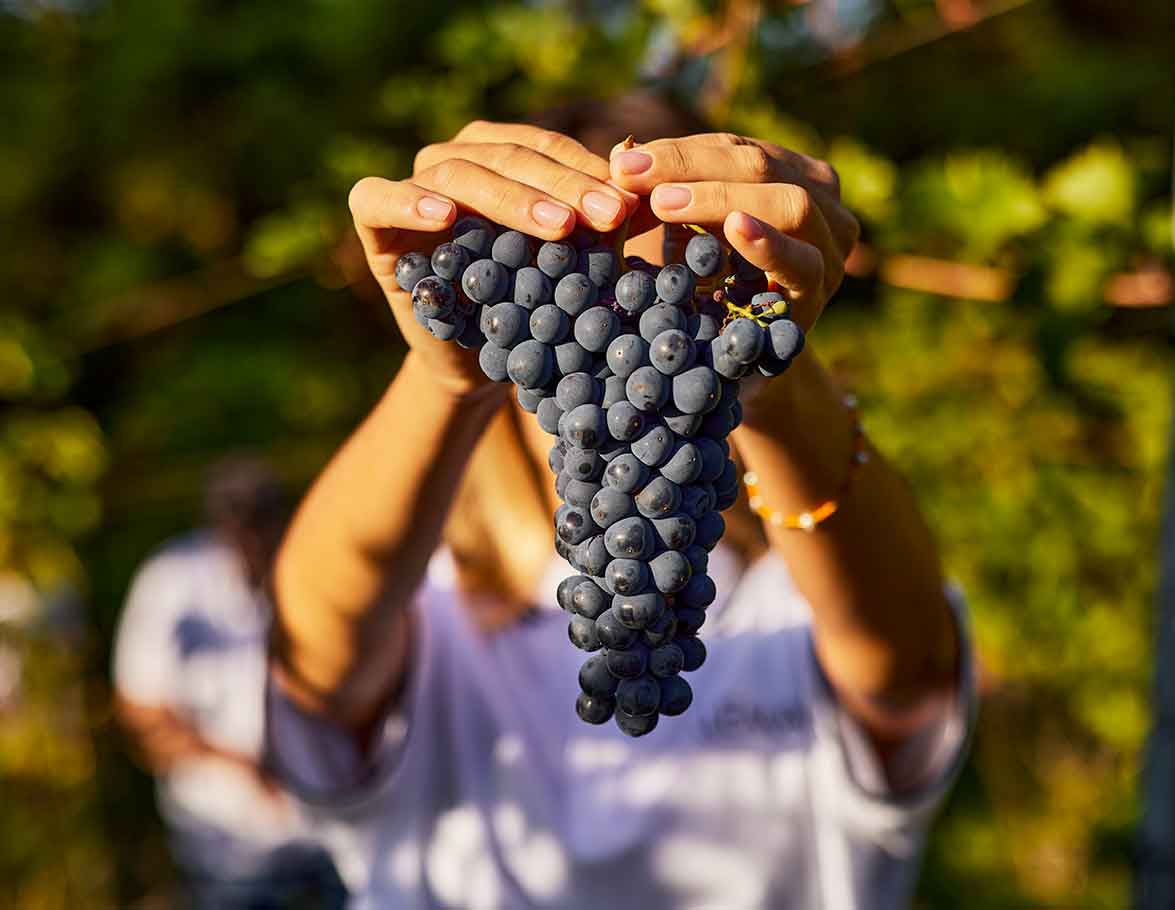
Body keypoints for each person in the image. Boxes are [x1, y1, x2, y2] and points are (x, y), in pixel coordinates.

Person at [266, 99, 976, 909]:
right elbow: (313, 661)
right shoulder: (432, 615)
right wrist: (440, 376)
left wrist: (772, 372)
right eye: (584, 279)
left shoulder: (788, 603)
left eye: (661, 286)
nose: (625, 322)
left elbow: (908, 677)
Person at [113, 457, 346, 909]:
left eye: (262, 521)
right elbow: (140, 708)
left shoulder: (306, 564)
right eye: (240, 522)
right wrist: (242, 767)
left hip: (328, 836)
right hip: (226, 849)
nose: (253, 537)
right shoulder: (172, 580)